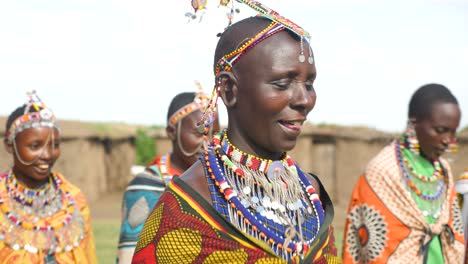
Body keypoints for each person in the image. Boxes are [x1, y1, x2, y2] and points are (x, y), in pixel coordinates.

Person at [132, 1, 340, 263]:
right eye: (282, 83)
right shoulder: (185, 207)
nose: (304, 100)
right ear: (229, 90)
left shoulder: (312, 193)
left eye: (309, 84)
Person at [342, 84, 465, 263]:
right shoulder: (383, 171)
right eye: (440, 130)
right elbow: (373, 246)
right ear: (414, 124)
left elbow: (455, 234)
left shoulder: (443, 170)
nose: (448, 140)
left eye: (453, 132)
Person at [117, 87, 219, 263]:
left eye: (214, 135)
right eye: (199, 133)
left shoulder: (219, 183)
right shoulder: (147, 187)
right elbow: (130, 256)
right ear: (171, 132)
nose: (208, 144)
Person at [0, 91, 97, 263]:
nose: (47, 155)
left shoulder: (74, 200)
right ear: (10, 145)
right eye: (35, 146)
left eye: (55, 145)